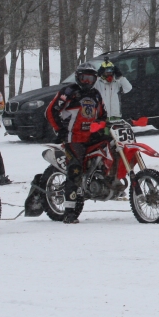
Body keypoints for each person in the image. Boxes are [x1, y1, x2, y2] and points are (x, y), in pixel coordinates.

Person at [45, 62, 108, 224]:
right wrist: (60, 130)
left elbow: (102, 114)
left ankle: (103, 182)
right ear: (78, 77)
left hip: (91, 136)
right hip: (73, 137)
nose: (88, 82)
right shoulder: (68, 92)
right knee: (75, 169)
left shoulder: (96, 94)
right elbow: (51, 111)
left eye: (91, 78)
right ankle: (70, 211)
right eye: (84, 78)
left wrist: (103, 126)